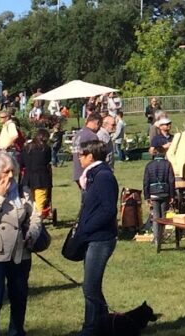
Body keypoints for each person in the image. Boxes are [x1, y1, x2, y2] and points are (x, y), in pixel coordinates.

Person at [0, 150, 43, 336]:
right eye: (5, 171)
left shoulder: (22, 191)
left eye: (12, 171)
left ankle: (16, 332)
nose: (10, 175)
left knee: (19, 298)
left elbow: (35, 216)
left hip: (20, 253)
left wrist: (32, 234)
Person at [75, 140, 118, 336]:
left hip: (101, 239)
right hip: (92, 237)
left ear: (91, 156)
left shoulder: (103, 177)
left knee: (90, 287)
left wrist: (87, 227)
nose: (78, 158)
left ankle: (91, 328)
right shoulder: (92, 176)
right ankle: (104, 324)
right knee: (92, 286)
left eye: (81, 155)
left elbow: (108, 209)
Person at [142, 144, 175, 243]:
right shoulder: (167, 164)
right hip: (165, 192)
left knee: (156, 216)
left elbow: (146, 182)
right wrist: (172, 195)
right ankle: (161, 236)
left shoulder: (149, 165)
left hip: (153, 193)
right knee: (163, 216)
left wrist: (147, 196)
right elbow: (171, 180)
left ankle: (156, 238)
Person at [20, 129, 53, 221]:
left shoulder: (26, 148)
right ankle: (37, 221)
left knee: (29, 202)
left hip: (28, 179)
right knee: (39, 203)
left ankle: (29, 220)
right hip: (42, 179)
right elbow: (48, 161)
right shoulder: (46, 148)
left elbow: (22, 163)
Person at [73, 114, 102, 187]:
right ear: (98, 122)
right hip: (87, 173)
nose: (99, 129)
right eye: (100, 125)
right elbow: (96, 156)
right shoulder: (91, 136)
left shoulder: (78, 134)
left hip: (77, 171)